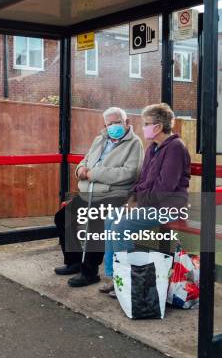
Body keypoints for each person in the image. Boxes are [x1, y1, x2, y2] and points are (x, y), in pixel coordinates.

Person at [102, 103, 191, 296]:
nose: (143, 128)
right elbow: (143, 181)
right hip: (149, 204)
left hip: (169, 206)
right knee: (111, 218)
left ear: (158, 127)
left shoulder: (175, 147)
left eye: (146, 123)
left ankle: (131, 281)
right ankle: (114, 276)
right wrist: (131, 200)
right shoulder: (153, 148)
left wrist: (138, 204)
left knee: (121, 226)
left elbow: (164, 189)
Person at [54, 107, 143, 287]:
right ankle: (74, 262)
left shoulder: (135, 143)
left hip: (116, 194)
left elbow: (130, 173)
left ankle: (90, 272)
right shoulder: (99, 139)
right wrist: (80, 170)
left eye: (117, 122)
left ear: (126, 123)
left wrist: (95, 174)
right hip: (89, 192)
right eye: (109, 123)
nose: (113, 126)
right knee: (62, 217)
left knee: (96, 223)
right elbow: (85, 161)